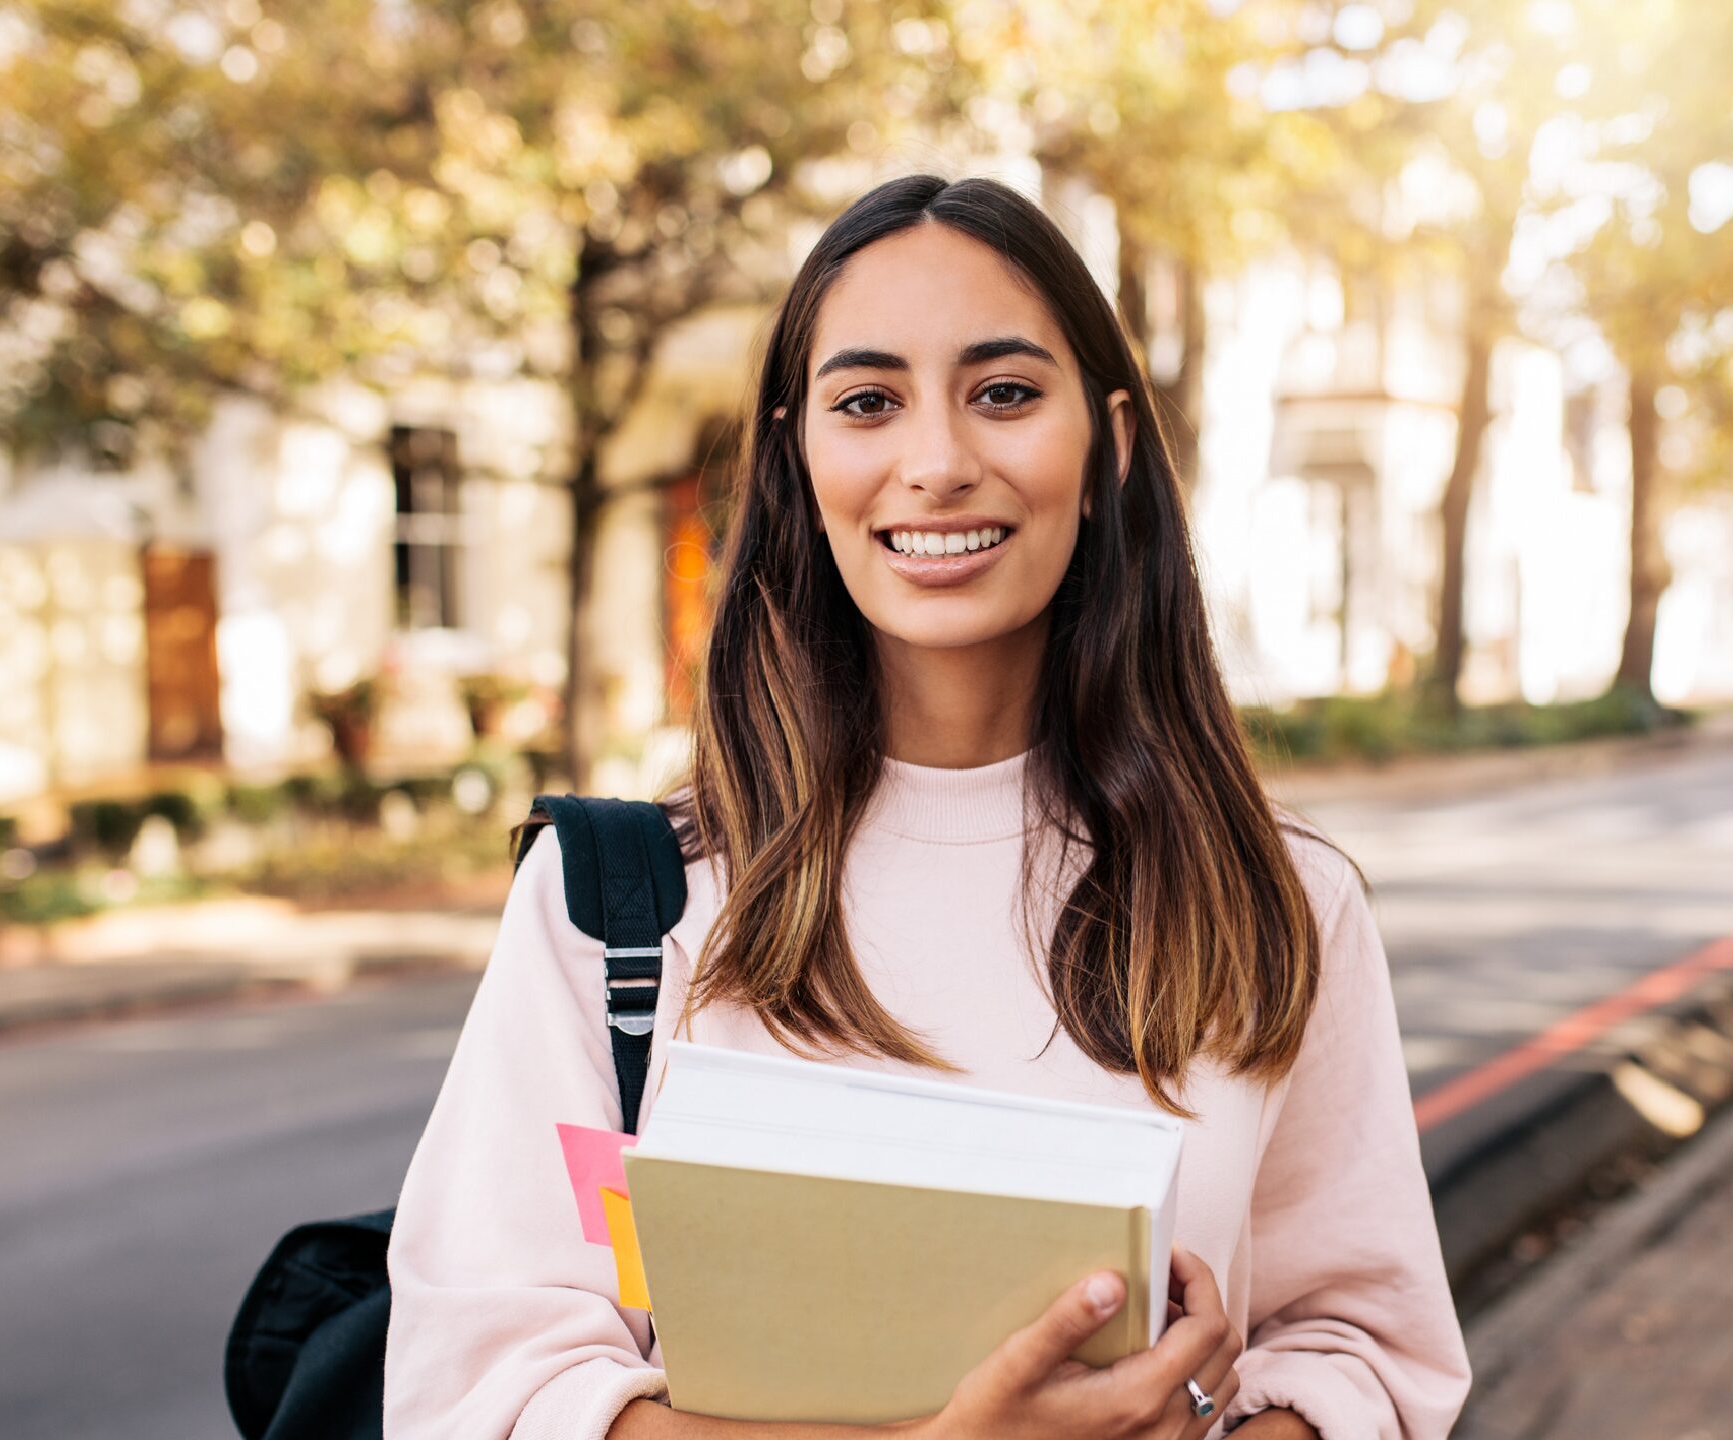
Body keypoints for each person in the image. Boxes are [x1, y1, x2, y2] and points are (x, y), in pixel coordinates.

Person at [384, 173, 1471, 1440]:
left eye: (1004, 393)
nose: (939, 464)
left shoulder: (1279, 905)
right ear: (798, 449)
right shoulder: (620, 911)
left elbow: (1362, 1352)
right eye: (867, 403)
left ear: (1110, 440)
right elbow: (486, 1390)